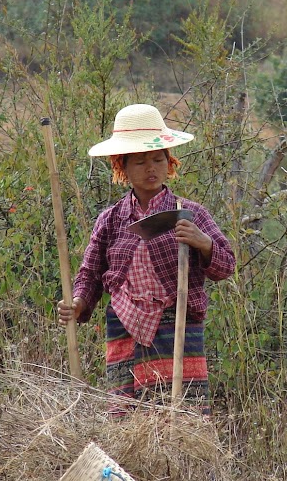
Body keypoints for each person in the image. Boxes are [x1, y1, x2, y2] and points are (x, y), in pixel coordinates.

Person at [57, 103, 235, 415]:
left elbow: (226, 265)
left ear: (170, 163)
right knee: (127, 415)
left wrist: (203, 243)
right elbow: (90, 273)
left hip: (176, 325)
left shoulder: (190, 213)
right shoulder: (111, 219)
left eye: (157, 159)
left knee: (181, 415)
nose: (150, 169)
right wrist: (78, 302)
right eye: (140, 163)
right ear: (121, 167)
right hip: (124, 327)